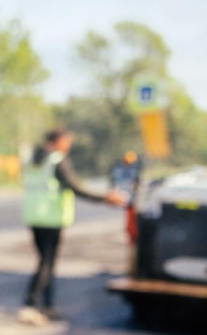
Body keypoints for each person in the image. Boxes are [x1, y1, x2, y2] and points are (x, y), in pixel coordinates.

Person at [20, 129, 127, 325]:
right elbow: (75, 186)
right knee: (47, 262)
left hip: (34, 216)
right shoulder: (56, 160)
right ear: (58, 141)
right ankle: (30, 305)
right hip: (51, 218)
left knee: (46, 261)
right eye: (66, 142)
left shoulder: (32, 159)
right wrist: (105, 198)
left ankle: (47, 305)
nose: (68, 146)